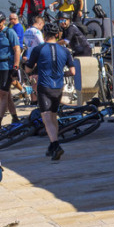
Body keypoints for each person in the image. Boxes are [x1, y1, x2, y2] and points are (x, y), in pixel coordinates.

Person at [27, 24, 74, 161]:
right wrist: (61, 74)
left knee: (47, 118)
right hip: (58, 87)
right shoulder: (65, 50)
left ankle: (56, 145)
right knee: (53, 116)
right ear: (57, 35)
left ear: (44, 34)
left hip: (44, 86)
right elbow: (72, 72)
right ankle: (52, 146)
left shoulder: (38, 49)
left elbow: (28, 69)